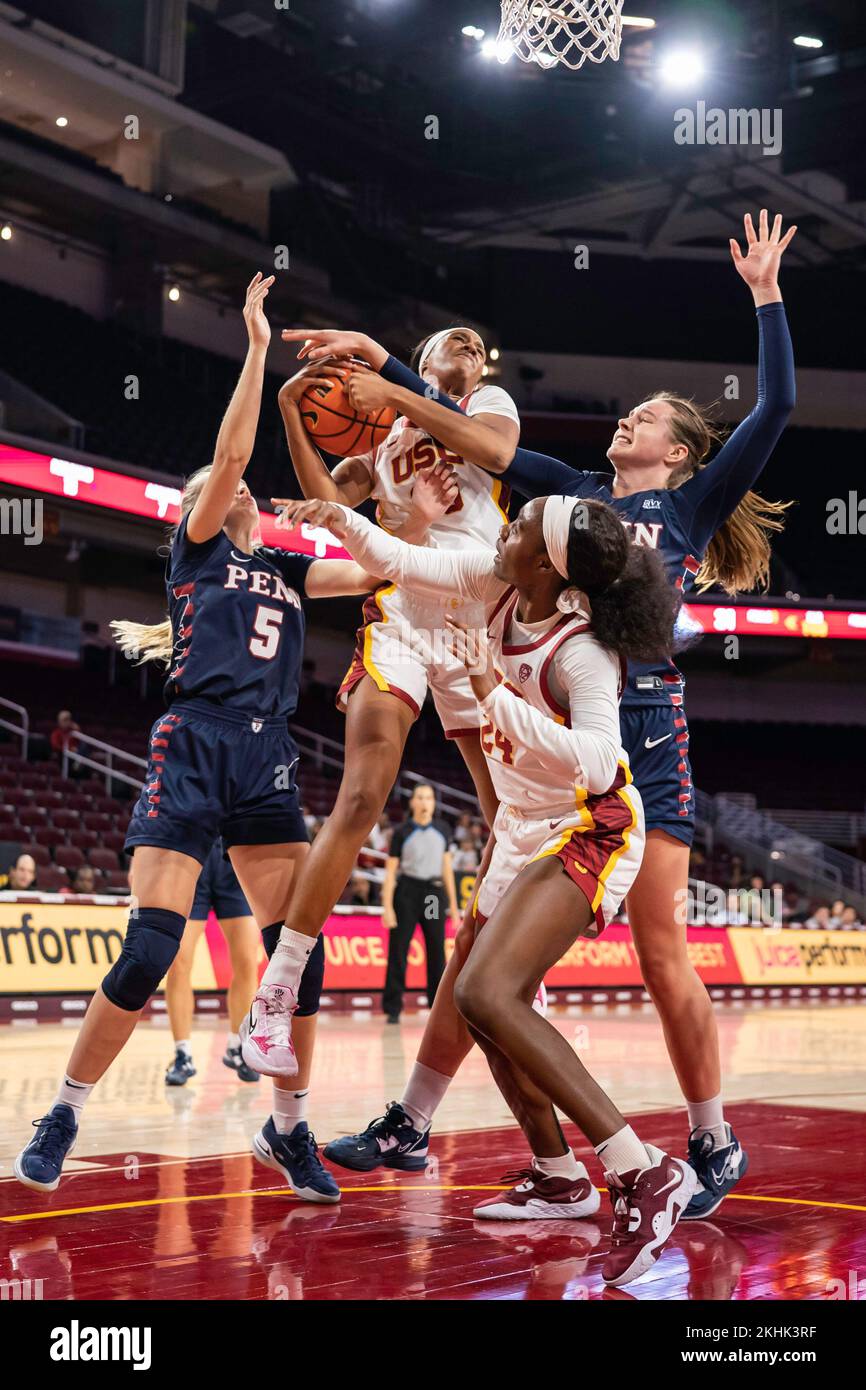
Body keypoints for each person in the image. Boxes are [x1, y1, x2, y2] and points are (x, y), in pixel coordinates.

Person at [303, 209, 796, 1220]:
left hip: (635, 736)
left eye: (646, 418)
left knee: (659, 950)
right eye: (627, 415)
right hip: (542, 746)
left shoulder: (687, 511)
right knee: (479, 958)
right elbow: (468, 435)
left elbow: (777, 403)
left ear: (680, 449)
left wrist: (764, 296)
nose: (627, 423)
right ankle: (423, 1118)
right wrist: (389, 368)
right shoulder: (567, 492)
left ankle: (708, 1138)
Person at [13, 273, 378, 1201]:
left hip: (266, 753)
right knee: (149, 950)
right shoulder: (202, 547)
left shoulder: (292, 573)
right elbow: (227, 456)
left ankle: (287, 1130)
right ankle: (65, 1108)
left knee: (306, 952)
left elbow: (383, 569)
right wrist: (257, 349)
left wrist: (382, 475)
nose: (240, 488)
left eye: (244, 489)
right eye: (219, 490)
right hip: (194, 741)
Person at [280, 489, 695, 1288]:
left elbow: (603, 763)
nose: (502, 531)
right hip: (520, 831)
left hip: (590, 825)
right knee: (473, 996)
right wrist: (344, 524)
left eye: (519, 527)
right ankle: (557, 1173)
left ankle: (642, 1169)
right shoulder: (498, 580)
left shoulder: (581, 650)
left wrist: (497, 693)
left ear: (544, 563)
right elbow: (404, 561)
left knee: (494, 993)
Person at [239, 327, 519, 1072]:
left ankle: (513, 971)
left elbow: (490, 453)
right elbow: (331, 503)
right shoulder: (385, 434)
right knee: (362, 796)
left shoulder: (487, 402)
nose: (463, 341)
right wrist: (295, 412)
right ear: (423, 357)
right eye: (447, 338)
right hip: (403, 608)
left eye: (472, 341)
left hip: (479, 613)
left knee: (507, 817)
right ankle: (277, 990)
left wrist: (390, 382)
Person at [164, 841, 261, 1086]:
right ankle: (182, 1054)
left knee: (248, 960)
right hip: (192, 853)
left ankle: (236, 1047)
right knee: (178, 960)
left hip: (235, 854)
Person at [380, 783, 459, 1024]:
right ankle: (393, 1008)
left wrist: (454, 906)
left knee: (436, 949)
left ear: (434, 803)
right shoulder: (402, 831)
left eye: (429, 798)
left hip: (433, 894)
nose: (425, 802)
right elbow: (391, 872)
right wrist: (387, 906)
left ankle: (436, 1004)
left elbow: (446, 868)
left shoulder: (443, 829)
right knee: (399, 949)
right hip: (407, 892)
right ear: (412, 802)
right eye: (421, 797)